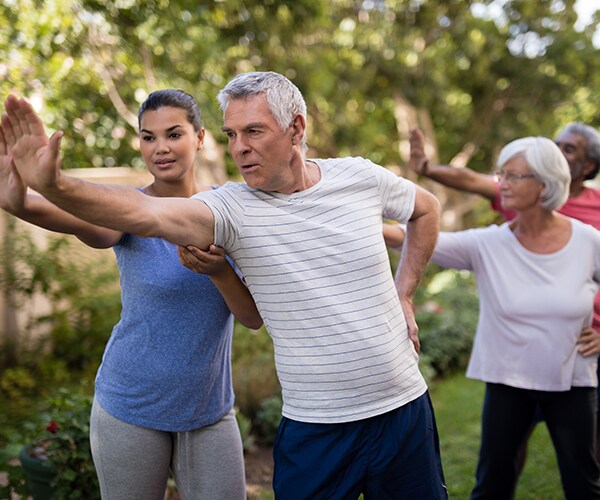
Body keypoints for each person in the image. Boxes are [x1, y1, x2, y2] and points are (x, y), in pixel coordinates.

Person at [2, 71, 447, 499]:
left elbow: (420, 212)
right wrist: (51, 187)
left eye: (252, 131)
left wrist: (402, 292)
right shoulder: (229, 207)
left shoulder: (341, 181)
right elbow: (137, 214)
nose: (240, 148)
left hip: (358, 407)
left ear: (296, 129)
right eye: (232, 135)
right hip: (188, 408)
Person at [0, 89, 263, 499]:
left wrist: (220, 273)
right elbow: (70, 217)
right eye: (148, 137)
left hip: (209, 411)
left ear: (199, 137)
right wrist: (20, 202)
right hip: (130, 407)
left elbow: (252, 317)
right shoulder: (127, 209)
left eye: (173, 134)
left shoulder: (228, 208)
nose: (160, 148)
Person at [402, 136, 600, 498]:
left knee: (583, 484)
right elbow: (409, 238)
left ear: (545, 183)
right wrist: (355, 226)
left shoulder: (588, 241)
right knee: (492, 483)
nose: (501, 184)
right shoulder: (488, 244)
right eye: (501, 174)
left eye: (514, 177)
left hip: (573, 379)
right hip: (508, 380)